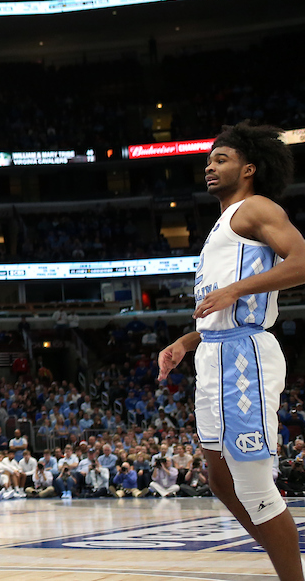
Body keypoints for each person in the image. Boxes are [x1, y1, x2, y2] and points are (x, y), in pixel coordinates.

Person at [159, 123, 304, 580]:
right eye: (209, 160)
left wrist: (235, 291)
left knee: (254, 484)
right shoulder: (222, 225)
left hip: (244, 356)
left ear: (249, 169)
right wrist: (187, 340)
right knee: (220, 479)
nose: (210, 166)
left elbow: (302, 260)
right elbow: (221, 308)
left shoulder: (255, 207)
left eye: (221, 159)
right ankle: (282, 560)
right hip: (214, 352)